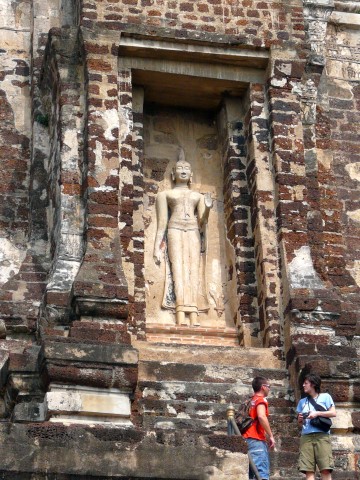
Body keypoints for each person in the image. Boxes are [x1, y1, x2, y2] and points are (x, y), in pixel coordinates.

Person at [153, 148, 212, 326]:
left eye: (187, 168)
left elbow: (202, 222)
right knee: (178, 268)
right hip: (174, 230)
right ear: (173, 173)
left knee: (192, 270)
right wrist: (157, 246)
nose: (184, 170)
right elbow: (162, 222)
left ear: (191, 174)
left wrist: (208, 207)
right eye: (180, 168)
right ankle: (180, 313)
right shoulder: (165, 195)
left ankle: (193, 314)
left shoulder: (198, 196)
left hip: (192, 230)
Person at [296, 373, 336, 480]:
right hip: (306, 437)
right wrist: (300, 420)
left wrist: (317, 413)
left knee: (325, 468)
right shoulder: (302, 402)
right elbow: (300, 424)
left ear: (313, 384)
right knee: (308, 470)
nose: (303, 385)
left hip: (322, 436)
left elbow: (333, 413)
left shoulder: (325, 397)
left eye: (306, 383)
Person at [242, 376, 275, 480]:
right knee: (261, 473)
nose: (269, 389)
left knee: (251, 475)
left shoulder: (250, 400)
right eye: (269, 386)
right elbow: (261, 416)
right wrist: (271, 435)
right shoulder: (261, 400)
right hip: (256, 439)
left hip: (246, 438)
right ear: (263, 387)